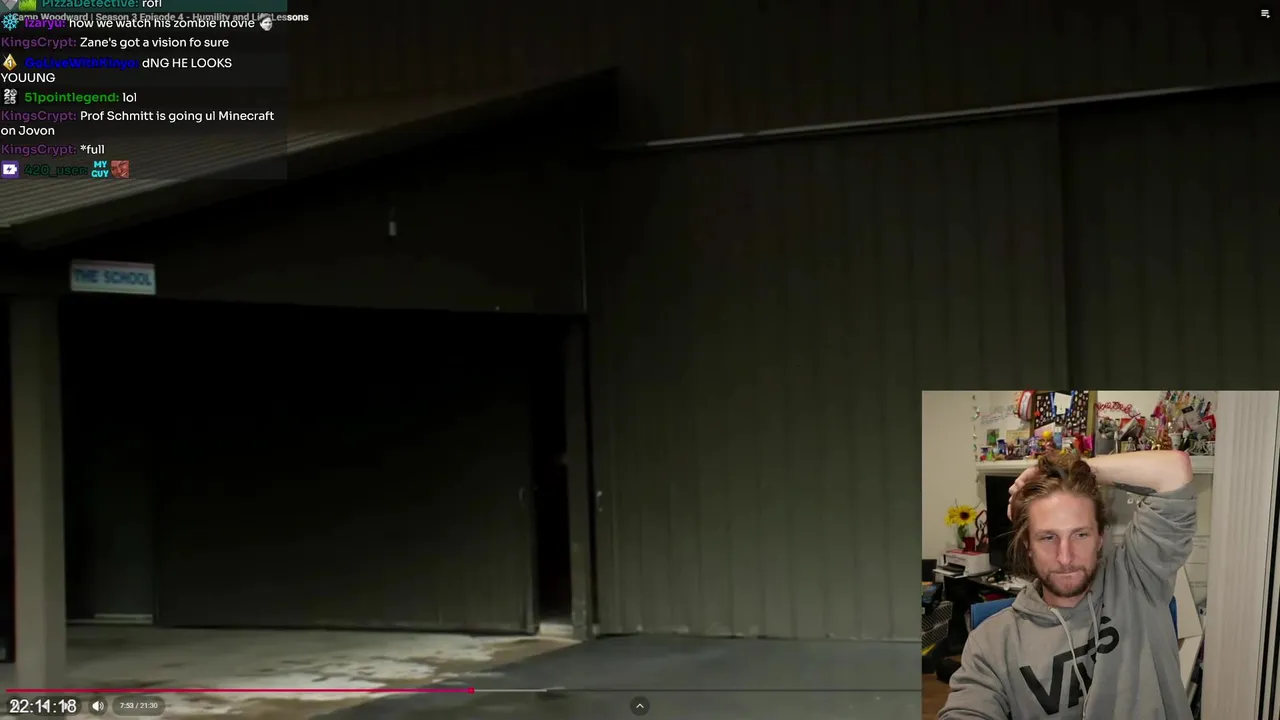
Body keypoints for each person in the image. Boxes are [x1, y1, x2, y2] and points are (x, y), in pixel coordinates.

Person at [938, 450, 1196, 719]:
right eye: (1048, 537)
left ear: (1100, 537)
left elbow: (1174, 471)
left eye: (1080, 535)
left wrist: (1079, 470)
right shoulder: (993, 642)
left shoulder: (1137, 578)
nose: (1065, 557)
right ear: (1028, 545)